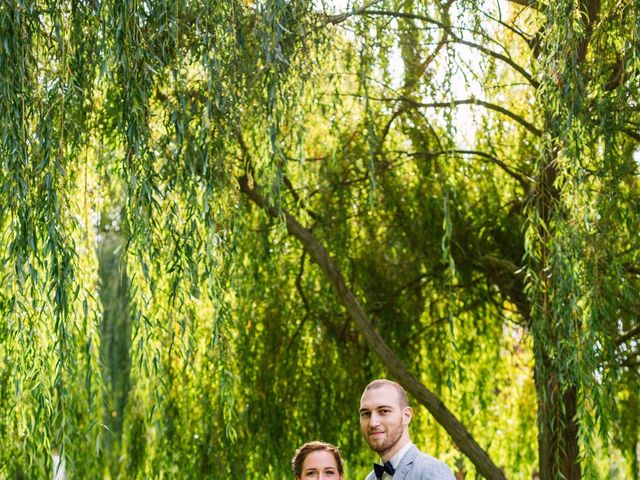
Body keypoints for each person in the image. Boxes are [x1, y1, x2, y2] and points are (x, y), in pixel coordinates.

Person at [359, 379, 455, 480]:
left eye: (384, 411)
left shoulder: (432, 471)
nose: (373, 423)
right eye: (365, 414)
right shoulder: (370, 478)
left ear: (406, 416)